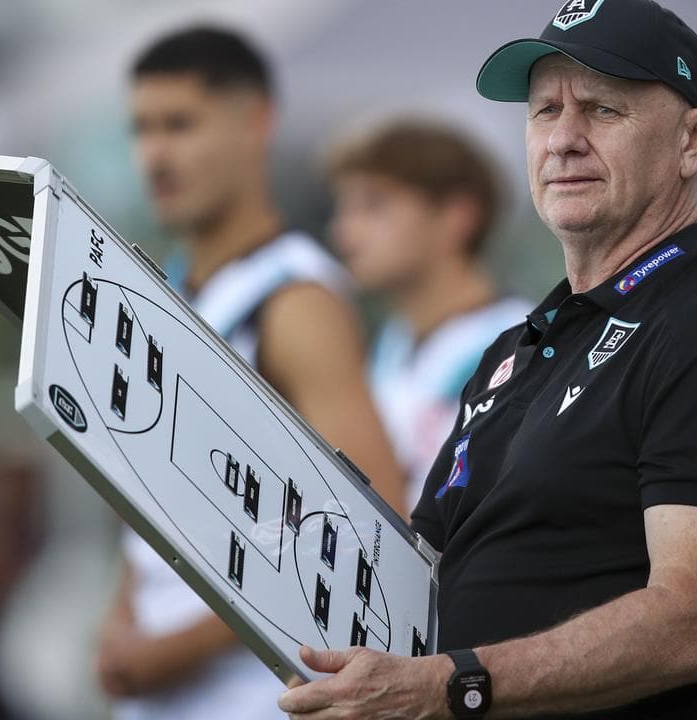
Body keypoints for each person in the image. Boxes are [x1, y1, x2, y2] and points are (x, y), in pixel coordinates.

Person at [279, 1, 697, 718]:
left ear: (694, 139)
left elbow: (691, 624)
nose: (563, 139)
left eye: (602, 109)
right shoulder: (517, 347)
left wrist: (447, 686)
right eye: (544, 111)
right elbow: (414, 572)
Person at [95, 26, 401, 720]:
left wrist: (178, 647)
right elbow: (157, 514)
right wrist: (123, 617)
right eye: (142, 128)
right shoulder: (170, 293)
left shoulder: (295, 302)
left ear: (257, 122)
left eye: (181, 124)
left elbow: (373, 533)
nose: (155, 154)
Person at [324, 120, 531, 513]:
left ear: (457, 215)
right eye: (344, 208)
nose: (343, 232)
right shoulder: (393, 341)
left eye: (373, 205)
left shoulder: (517, 342)